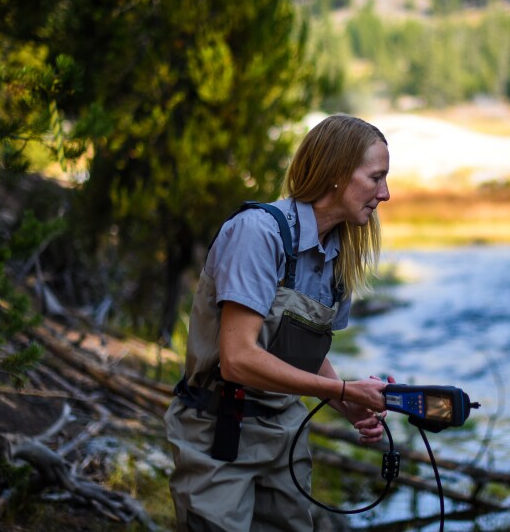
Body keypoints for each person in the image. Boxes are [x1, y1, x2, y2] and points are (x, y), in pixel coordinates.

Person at [164, 113, 394, 531]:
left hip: (283, 436)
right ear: (337, 175)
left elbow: (302, 356)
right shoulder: (259, 233)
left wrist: (350, 406)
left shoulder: (340, 253)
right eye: (375, 178)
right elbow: (238, 359)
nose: (386, 193)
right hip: (218, 435)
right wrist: (341, 389)